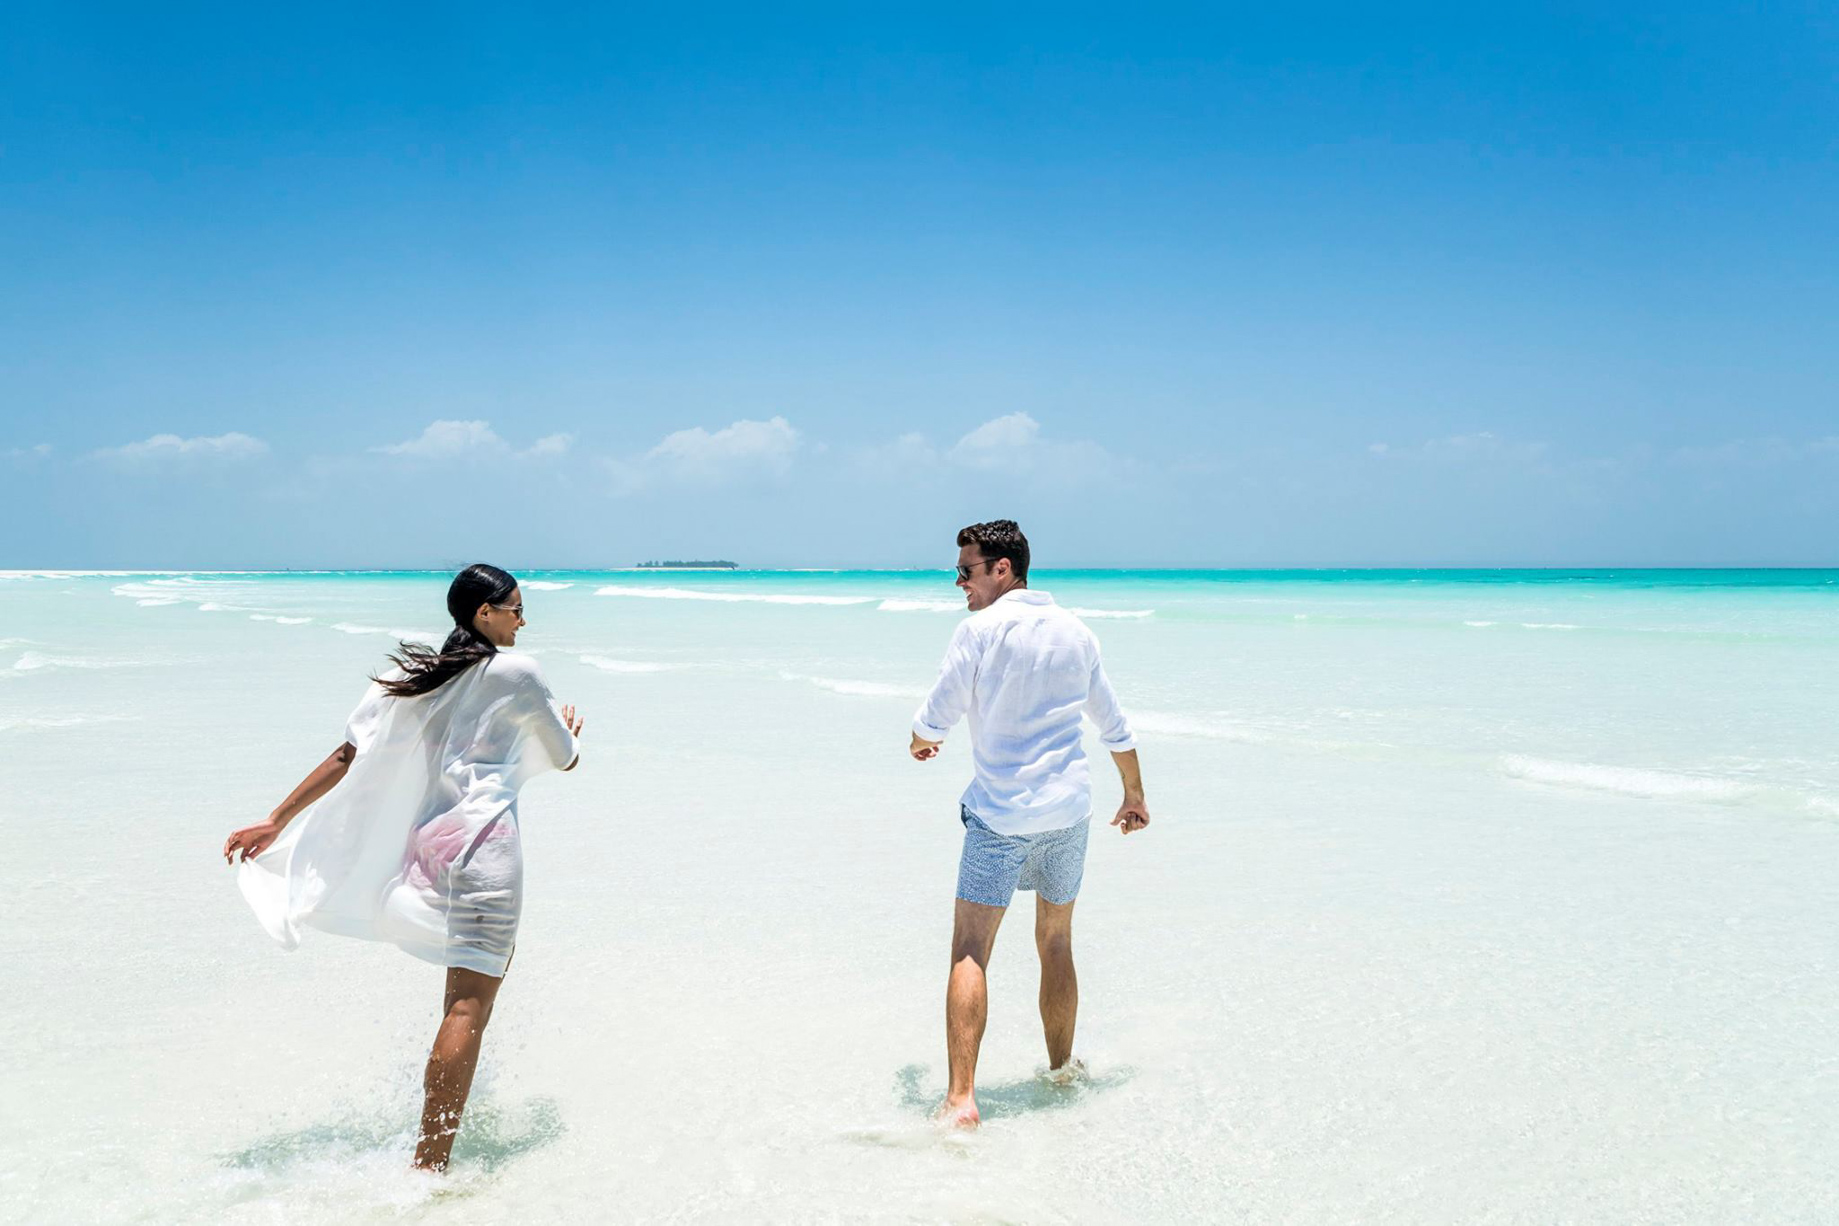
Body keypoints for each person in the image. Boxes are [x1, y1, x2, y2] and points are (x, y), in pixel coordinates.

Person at [222, 563, 584, 1171]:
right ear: (483, 614)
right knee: (469, 1006)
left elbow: (348, 755)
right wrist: (570, 734)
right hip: (483, 850)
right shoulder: (519, 673)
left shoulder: (410, 678)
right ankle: (430, 1166)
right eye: (516, 608)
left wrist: (276, 820)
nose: (524, 619)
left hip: (427, 847)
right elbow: (565, 757)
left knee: (464, 998)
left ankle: (440, 1132)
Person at [909, 519, 1149, 1129]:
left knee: (970, 950)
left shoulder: (979, 631)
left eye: (966, 571)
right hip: (1070, 813)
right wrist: (1135, 795)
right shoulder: (1078, 633)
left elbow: (935, 716)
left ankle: (962, 1099)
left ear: (1002, 569)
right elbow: (1114, 724)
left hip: (1000, 816)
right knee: (1057, 941)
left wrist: (921, 741)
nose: (959, 583)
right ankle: (1062, 1069)